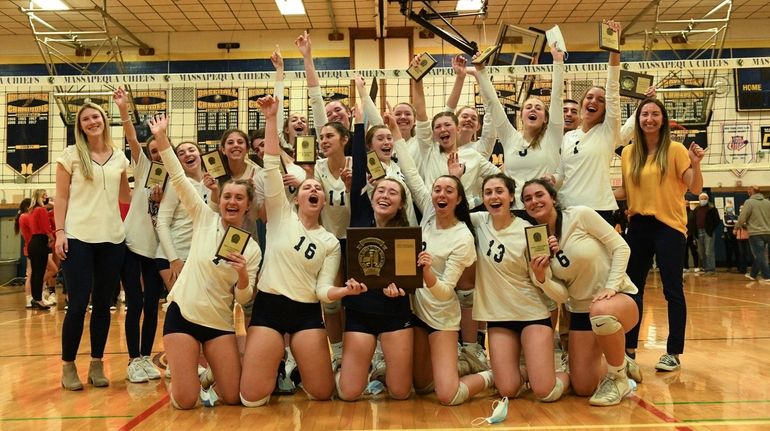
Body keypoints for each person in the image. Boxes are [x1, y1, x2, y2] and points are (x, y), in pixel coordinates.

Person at [239, 95, 366, 407]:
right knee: (252, 397)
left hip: (307, 313)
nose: (313, 189)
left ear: (323, 201)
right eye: (307, 187)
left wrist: (343, 292)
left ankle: (296, 368)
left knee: (323, 393)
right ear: (296, 198)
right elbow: (270, 166)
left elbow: (323, 291)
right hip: (269, 306)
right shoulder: (282, 215)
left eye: (318, 189)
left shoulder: (329, 242)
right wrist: (270, 119)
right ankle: (274, 365)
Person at [148, 113, 261, 409]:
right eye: (227, 197)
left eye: (239, 198)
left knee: (233, 398)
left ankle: (209, 373)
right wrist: (161, 137)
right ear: (219, 200)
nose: (232, 202)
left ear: (248, 206)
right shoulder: (203, 218)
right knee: (185, 402)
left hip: (219, 323)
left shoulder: (251, 249)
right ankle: (186, 374)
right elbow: (177, 175)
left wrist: (243, 275)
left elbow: (244, 298)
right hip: (183, 314)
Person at [392, 122, 494, 406]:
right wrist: (396, 133)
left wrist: (425, 271)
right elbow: (411, 173)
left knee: (448, 395)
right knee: (422, 387)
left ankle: (492, 375)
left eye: (449, 191)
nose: (440, 194)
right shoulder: (426, 216)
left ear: (459, 199)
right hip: (416, 314)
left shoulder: (462, 236)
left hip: (441, 317)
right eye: (437, 189)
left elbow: (446, 291)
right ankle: (454, 365)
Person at [522, 179, 640, 406]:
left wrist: (611, 286)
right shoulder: (534, 241)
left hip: (619, 298)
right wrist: (542, 278)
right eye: (528, 199)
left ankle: (618, 379)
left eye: (539, 195)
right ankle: (620, 360)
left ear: (553, 198)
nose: (534, 201)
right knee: (583, 386)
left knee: (601, 311)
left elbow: (621, 247)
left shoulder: (580, 215)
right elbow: (563, 296)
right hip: (579, 310)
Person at [616, 97, 705, 372]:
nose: (649, 119)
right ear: (638, 119)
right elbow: (627, 192)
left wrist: (696, 163)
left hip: (669, 227)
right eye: (644, 114)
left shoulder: (676, 150)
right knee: (632, 290)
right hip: (639, 226)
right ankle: (629, 349)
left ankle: (673, 352)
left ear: (663, 120)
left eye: (655, 114)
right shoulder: (629, 153)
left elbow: (695, 187)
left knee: (672, 290)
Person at [335, 111, 415, 402]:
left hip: (395, 314)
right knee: (348, 394)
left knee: (401, 393)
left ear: (401, 203)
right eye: (380, 189)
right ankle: (353, 370)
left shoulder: (405, 234)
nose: (384, 195)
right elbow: (358, 171)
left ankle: (381, 371)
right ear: (372, 194)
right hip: (360, 314)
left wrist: (401, 290)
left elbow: (406, 283)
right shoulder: (360, 216)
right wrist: (358, 125)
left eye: (392, 192)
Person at [472, 173, 569, 402]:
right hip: (498, 317)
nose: (494, 196)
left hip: (532, 315)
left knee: (545, 392)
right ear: (483, 199)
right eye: (488, 192)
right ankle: (527, 373)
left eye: (499, 191)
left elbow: (557, 292)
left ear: (511, 197)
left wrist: (541, 276)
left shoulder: (531, 232)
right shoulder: (477, 222)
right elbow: (445, 212)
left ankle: (571, 374)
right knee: (507, 390)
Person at [55, 102, 131, 391]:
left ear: (104, 120)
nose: (91, 121)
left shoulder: (119, 158)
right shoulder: (70, 156)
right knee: (77, 305)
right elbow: (60, 198)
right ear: (80, 125)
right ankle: (68, 366)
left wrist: (156, 194)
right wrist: (60, 231)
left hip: (112, 238)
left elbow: (125, 197)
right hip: (77, 237)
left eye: (95, 116)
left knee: (103, 305)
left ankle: (97, 364)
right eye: (85, 118)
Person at [113, 88, 166, 383]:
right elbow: (132, 139)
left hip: (157, 249)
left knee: (151, 304)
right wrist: (123, 109)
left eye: (161, 149)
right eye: (153, 150)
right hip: (132, 244)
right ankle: (133, 359)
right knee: (134, 302)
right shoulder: (144, 166)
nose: (157, 154)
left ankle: (146, 357)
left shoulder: (176, 177)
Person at [555, 20, 622, 224]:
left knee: (600, 257)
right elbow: (561, 174)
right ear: (582, 102)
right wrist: (552, 181)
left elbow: (612, 89)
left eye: (600, 101)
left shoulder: (607, 131)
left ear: (605, 109)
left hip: (599, 208)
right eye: (590, 97)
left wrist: (614, 48)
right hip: (567, 207)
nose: (594, 101)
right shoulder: (568, 136)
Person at [735, 186, 770, 282]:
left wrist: (736, 227)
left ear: (751, 192)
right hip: (768, 232)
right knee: (762, 254)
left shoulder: (749, 202)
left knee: (759, 255)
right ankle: (753, 275)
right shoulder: (767, 202)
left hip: (756, 233)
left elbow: (742, 217)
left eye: (748, 191)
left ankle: (767, 276)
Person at [694, 192, 720, 275]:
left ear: (708, 199)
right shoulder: (696, 209)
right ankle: (705, 268)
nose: (703, 200)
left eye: (705, 198)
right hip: (698, 232)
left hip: (708, 232)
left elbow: (717, 220)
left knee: (709, 251)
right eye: (702, 198)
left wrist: (711, 229)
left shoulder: (712, 208)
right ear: (699, 200)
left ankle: (711, 269)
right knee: (701, 252)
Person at [722, 203, 739, 272]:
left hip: (736, 236)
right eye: (728, 207)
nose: (730, 209)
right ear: (726, 209)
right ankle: (728, 267)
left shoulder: (736, 216)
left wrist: (732, 222)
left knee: (737, 251)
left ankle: (739, 266)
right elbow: (725, 224)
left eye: (731, 207)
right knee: (728, 252)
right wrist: (733, 223)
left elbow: (737, 223)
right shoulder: (724, 216)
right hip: (728, 236)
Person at [684, 204, 700, 272]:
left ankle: (696, 266)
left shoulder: (693, 213)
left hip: (692, 235)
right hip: (684, 235)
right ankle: (685, 267)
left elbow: (695, 224)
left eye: (687, 204)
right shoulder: (681, 213)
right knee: (684, 252)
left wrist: (695, 235)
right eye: (685, 204)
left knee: (694, 251)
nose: (686, 205)